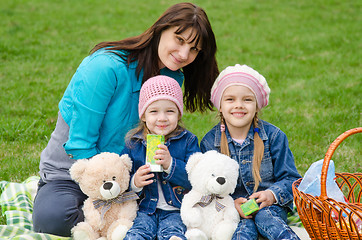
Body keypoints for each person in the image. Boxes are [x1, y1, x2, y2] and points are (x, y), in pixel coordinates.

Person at [32, 2, 218, 236]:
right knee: (53, 222)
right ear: (161, 29)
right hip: (73, 173)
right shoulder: (104, 67)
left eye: (194, 50)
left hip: (133, 178)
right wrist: (110, 189)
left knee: (173, 218)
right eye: (180, 40)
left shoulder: (172, 76)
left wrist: (135, 185)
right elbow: (80, 145)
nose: (184, 55)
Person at [200, 64, 302, 240]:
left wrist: (272, 195)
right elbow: (204, 190)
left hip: (270, 208)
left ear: (257, 106)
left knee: (266, 218)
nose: (239, 105)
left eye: (247, 100)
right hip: (231, 211)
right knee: (242, 228)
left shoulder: (274, 137)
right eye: (230, 99)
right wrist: (231, 206)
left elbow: (292, 180)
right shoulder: (210, 143)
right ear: (220, 106)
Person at [121, 75, 200, 240]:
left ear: (179, 114)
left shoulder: (188, 141)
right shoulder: (133, 144)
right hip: (144, 209)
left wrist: (171, 164)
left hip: (176, 210)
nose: (162, 118)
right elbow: (120, 178)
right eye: (154, 111)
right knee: (137, 233)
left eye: (170, 111)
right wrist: (135, 182)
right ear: (143, 115)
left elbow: (197, 180)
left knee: (172, 233)